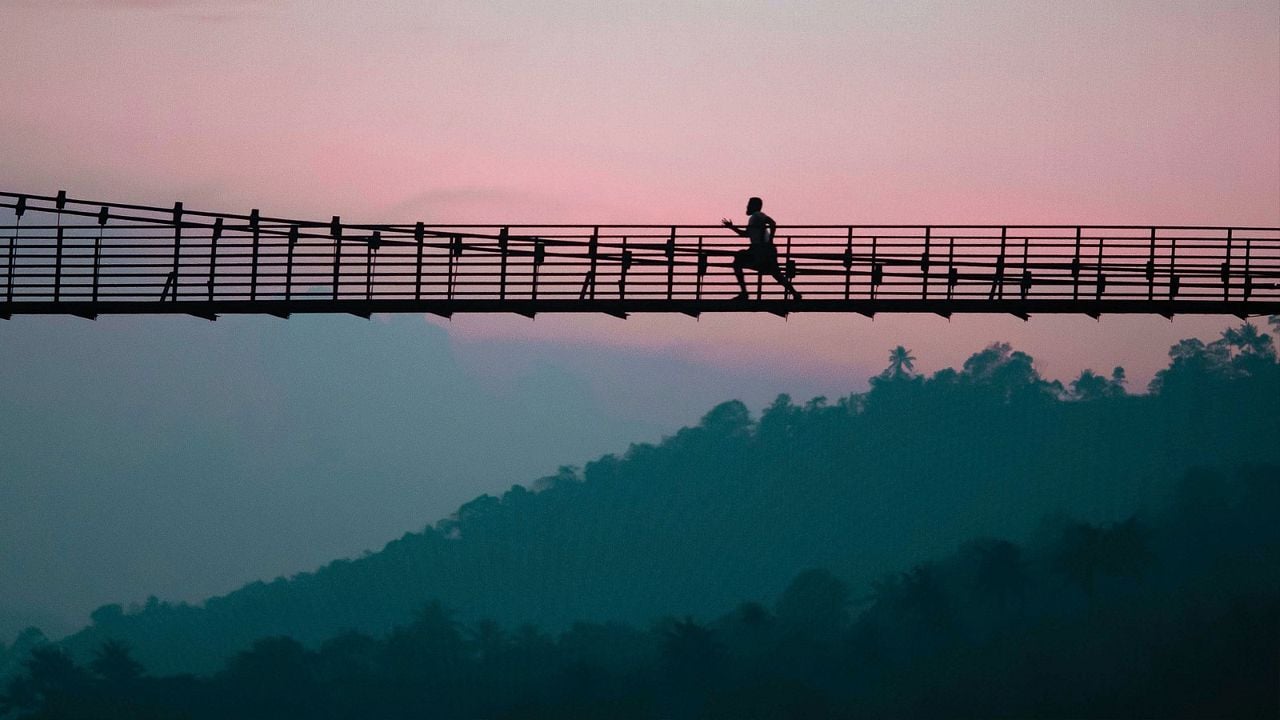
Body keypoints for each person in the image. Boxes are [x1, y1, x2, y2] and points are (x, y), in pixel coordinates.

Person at [721, 196, 801, 300]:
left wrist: (770, 241)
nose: (747, 206)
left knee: (738, 260)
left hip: (760, 249)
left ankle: (744, 293)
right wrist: (732, 227)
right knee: (776, 274)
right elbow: (746, 234)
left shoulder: (757, 215)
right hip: (764, 249)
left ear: (754, 206)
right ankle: (795, 294)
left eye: (749, 204)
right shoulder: (754, 218)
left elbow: (772, 223)